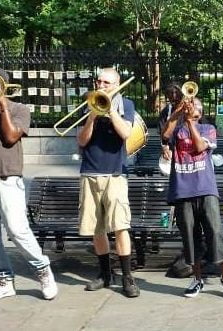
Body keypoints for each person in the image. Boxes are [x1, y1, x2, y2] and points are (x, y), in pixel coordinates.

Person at [0, 67, 58, 302]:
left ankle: (43, 271)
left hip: (7, 177)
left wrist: (3, 107)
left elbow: (11, 136)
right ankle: (3, 281)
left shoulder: (19, 109)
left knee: (18, 231)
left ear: (4, 87)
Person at [162, 96, 223, 299]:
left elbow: (198, 147)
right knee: (190, 236)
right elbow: (165, 135)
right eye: (189, 105)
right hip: (182, 189)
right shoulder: (177, 129)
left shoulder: (208, 129)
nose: (192, 108)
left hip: (205, 188)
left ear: (201, 112)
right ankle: (197, 279)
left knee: (215, 232)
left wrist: (189, 122)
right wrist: (178, 113)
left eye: (195, 106)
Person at [77, 68, 139, 298]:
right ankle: (104, 274)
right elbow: (82, 141)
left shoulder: (127, 105)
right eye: (98, 81)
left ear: (117, 84)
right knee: (97, 228)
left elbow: (125, 134)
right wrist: (92, 116)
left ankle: (127, 277)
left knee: (120, 226)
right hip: (90, 173)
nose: (100, 85)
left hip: (115, 174)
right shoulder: (87, 103)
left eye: (106, 82)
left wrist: (110, 110)